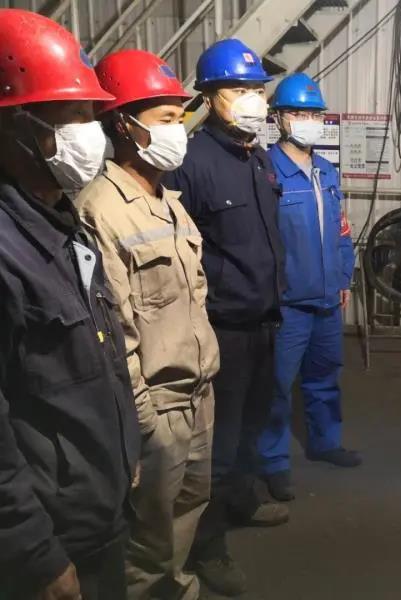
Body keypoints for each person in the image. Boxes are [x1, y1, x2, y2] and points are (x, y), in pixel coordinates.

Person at [0, 9, 139, 600]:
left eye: (91, 114)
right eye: (72, 116)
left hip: (97, 512)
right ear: (13, 126)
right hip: (50, 544)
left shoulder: (62, 221)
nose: (92, 133)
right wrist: (35, 556)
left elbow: (95, 354)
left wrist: (125, 448)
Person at [75, 49, 219, 600]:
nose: (179, 130)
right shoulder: (101, 210)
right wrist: (144, 424)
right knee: (147, 540)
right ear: (124, 125)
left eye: (181, 118)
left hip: (198, 394)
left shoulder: (170, 202)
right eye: (166, 119)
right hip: (157, 408)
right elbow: (112, 333)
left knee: (187, 510)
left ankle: (176, 590)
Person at [162, 38, 288, 597]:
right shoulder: (191, 164)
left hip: (265, 321)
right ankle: (208, 544)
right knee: (216, 443)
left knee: (253, 428)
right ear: (210, 98)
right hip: (223, 329)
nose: (253, 99)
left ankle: (242, 500)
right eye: (238, 90)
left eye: (257, 89)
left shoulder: (256, 156)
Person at [256, 73, 360, 503]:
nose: (309, 121)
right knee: (277, 386)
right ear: (279, 118)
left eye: (315, 114)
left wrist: (343, 276)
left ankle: (325, 442)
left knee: (324, 377)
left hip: (327, 300)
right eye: (299, 112)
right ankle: (273, 462)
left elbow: (341, 230)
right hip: (288, 305)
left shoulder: (326, 171)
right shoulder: (265, 172)